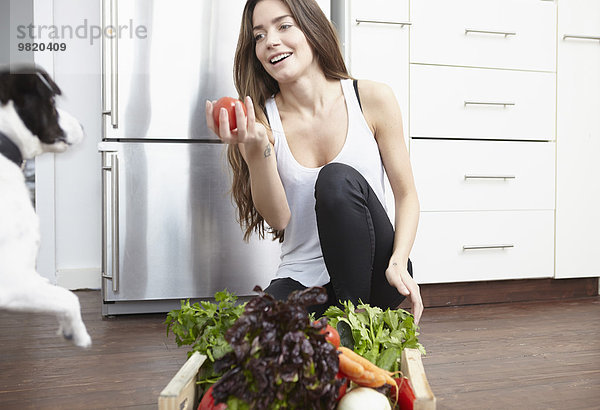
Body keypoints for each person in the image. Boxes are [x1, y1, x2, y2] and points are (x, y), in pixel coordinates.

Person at [205, 0, 423, 324]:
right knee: (245, 338)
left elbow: (407, 196)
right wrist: (257, 152)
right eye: (259, 36)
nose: (270, 41)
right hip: (306, 280)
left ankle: (357, 321)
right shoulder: (261, 123)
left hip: (377, 273)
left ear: (311, 27)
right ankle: (339, 327)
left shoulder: (372, 98)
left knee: (335, 179)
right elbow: (279, 219)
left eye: (283, 25)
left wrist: (398, 260)